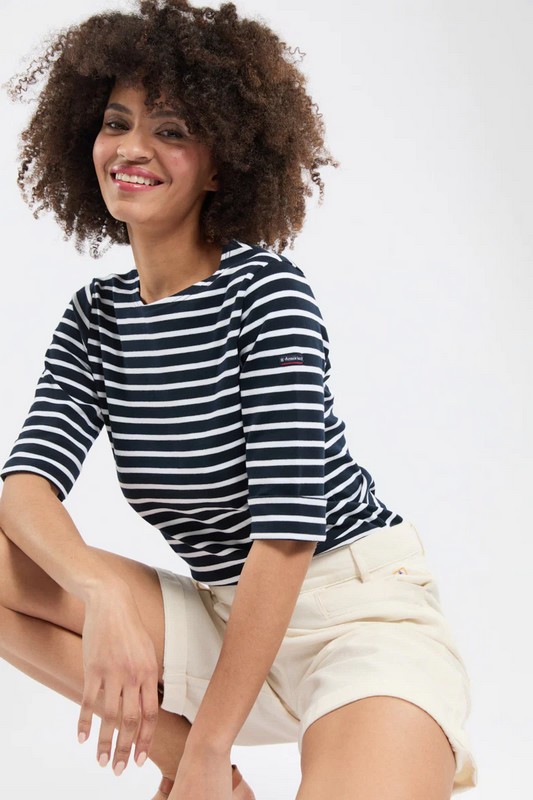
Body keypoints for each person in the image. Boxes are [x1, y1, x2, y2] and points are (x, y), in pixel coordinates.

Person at [0, 1, 478, 798]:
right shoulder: (95, 321)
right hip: (223, 617)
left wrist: (210, 743)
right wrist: (100, 592)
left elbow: (287, 533)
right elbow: (23, 490)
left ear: (221, 165)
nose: (132, 148)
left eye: (172, 131)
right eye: (116, 122)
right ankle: (185, 753)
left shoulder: (264, 294)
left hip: (353, 616)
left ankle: (234, 747)